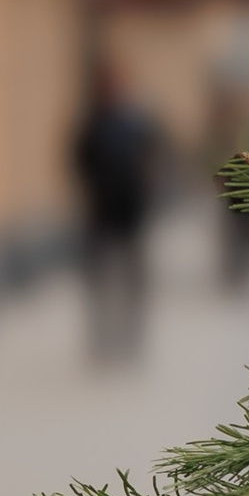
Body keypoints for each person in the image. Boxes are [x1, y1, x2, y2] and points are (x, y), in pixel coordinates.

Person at [70, 67, 158, 363]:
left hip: (132, 214)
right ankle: (103, 341)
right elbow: (79, 160)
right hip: (102, 215)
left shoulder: (137, 126)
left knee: (133, 281)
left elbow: (154, 158)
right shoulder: (93, 125)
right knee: (101, 282)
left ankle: (131, 338)